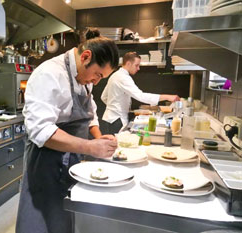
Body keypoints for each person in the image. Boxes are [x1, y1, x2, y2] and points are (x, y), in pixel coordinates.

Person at [15, 28, 119, 233]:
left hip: (73, 159)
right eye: (98, 75)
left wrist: (100, 139)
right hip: (46, 162)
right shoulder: (49, 74)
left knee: (64, 219)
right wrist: (90, 146)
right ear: (86, 56)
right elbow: (41, 131)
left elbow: (91, 113)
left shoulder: (83, 77)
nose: (96, 82)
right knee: (43, 219)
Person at [101, 52, 180, 134]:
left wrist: (113, 107)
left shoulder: (115, 75)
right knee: (116, 144)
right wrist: (167, 97)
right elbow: (140, 96)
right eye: (136, 65)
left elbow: (103, 97)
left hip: (110, 118)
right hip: (117, 120)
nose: (138, 68)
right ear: (128, 63)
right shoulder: (123, 78)